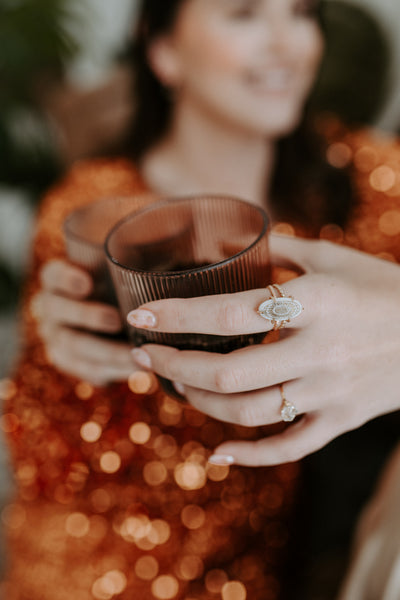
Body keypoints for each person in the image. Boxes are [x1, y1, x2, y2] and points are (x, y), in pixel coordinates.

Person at [2, 1, 400, 599]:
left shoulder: (371, 183)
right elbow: (37, 452)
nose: (288, 44)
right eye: (243, 14)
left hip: (259, 576)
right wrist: (63, 362)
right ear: (162, 49)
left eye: (301, 13)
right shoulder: (88, 205)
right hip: (80, 572)